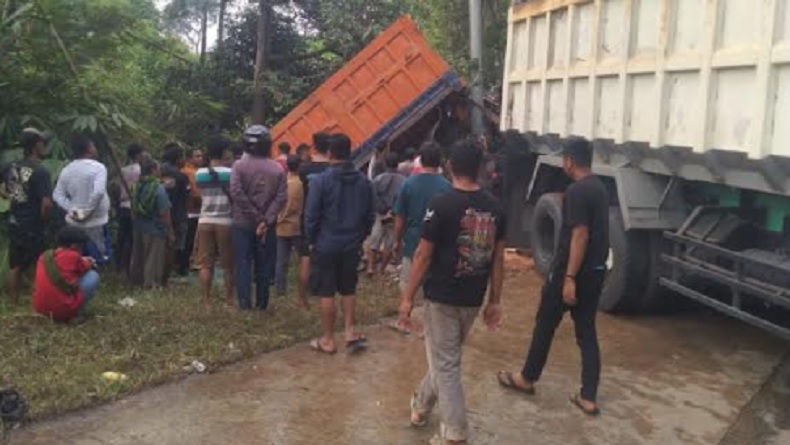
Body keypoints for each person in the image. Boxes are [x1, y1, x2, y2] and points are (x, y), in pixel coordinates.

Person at [397, 138, 506, 445]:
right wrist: (495, 300)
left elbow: (423, 255)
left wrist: (407, 297)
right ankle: (421, 405)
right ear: (480, 168)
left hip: (442, 298)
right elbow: (498, 259)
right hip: (473, 297)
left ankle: (456, 433)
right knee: (446, 358)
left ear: (451, 166)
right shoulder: (496, 207)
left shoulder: (441, 204)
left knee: (446, 364)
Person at [497, 137, 609, 416]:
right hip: (595, 272)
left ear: (569, 161)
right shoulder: (599, 187)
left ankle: (527, 378)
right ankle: (588, 396)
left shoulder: (577, 191)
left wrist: (569, 278)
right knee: (586, 332)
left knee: (545, 324)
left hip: (571, 274)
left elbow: (580, 235)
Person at [305, 133, 375, 354]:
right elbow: (370, 216)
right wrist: (360, 237)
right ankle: (350, 331)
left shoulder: (320, 182)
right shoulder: (364, 182)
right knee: (348, 288)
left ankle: (327, 339)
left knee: (327, 292)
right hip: (351, 244)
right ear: (350, 152)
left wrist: (311, 240)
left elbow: (311, 216)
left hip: (326, 243)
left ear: (328, 153)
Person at [390, 143, 452, 333]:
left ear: (421, 160)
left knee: (407, 283)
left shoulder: (409, 184)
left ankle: (403, 320)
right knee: (431, 288)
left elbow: (400, 218)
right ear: (440, 162)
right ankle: (429, 327)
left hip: (413, 242)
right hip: (439, 246)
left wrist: (396, 240)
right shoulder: (447, 187)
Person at [230, 125, 287, 311]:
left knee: (243, 263)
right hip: (267, 226)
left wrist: (255, 217)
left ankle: (244, 304)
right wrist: (265, 220)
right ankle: (262, 303)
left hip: (242, 223)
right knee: (263, 264)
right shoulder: (277, 169)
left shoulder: (239, 166)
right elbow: (281, 197)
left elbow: (236, 193)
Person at [1, 128, 53, 304]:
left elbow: (6, 189)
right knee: (38, 263)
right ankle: (38, 300)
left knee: (15, 265)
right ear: (36, 145)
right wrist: (44, 220)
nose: (44, 145)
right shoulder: (41, 171)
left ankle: (13, 302)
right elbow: (46, 203)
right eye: (42, 142)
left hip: (15, 221)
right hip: (33, 224)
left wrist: (8, 196)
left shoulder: (10, 166)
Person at [52, 136, 111, 264]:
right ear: (89, 149)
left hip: (74, 223)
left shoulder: (67, 170)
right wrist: (86, 212)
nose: (95, 148)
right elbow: (98, 192)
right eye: (93, 145)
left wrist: (73, 209)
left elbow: (57, 194)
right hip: (96, 223)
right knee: (97, 258)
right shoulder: (98, 167)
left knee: (75, 258)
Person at [194, 136, 235, 304]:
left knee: (205, 263)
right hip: (225, 221)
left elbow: (200, 195)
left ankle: (206, 299)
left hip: (205, 220)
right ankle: (229, 298)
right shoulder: (230, 174)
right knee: (228, 264)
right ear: (224, 152)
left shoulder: (199, 174)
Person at [32, 226, 100, 323]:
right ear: (74, 246)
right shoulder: (74, 256)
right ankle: (76, 313)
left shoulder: (44, 256)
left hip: (40, 308)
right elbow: (85, 267)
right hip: (63, 310)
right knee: (93, 275)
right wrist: (89, 262)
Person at [297, 132, 331, 306]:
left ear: (314, 146)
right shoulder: (332, 170)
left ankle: (302, 299)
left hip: (307, 215)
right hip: (328, 218)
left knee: (306, 257)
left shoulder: (303, 169)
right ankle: (324, 292)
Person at [130, 157, 173, 288]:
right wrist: (170, 231)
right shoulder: (158, 188)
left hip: (139, 227)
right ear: (153, 170)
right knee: (153, 259)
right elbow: (164, 212)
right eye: (158, 169)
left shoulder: (136, 186)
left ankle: (137, 281)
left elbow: (133, 209)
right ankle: (151, 285)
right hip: (155, 228)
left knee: (139, 257)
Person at [366, 152, 405, 276]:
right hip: (394, 215)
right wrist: (393, 211)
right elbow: (403, 199)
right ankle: (381, 270)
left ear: (385, 164)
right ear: (397, 164)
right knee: (389, 243)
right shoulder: (404, 181)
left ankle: (370, 267)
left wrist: (381, 209)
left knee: (374, 241)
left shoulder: (379, 179)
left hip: (380, 214)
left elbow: (373, 196)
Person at [275, 154, 305, 303]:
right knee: (303, 259)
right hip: (295, 225)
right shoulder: (299, 184)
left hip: (280, 226)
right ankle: (305, 287)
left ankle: (280, 289)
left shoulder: (282, 182)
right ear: (299, 166)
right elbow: (295, 206)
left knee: (281, 260)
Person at [160, 143, 190, 281]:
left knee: (162, 243)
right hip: (178, 213)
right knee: (177, 244)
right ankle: (173, 271)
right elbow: (186, 196)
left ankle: (162, 270)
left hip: (160, 214)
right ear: (178, 159)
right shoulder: (182, 177)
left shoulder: (157, 173)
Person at [116, 143, 145, 276]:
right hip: (134, 206)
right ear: (138, 155)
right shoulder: (141, 171)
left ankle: (119, 265)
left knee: (122, 237)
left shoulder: (123, 170)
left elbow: (118, 189)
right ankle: (129, 266)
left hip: (123, 206)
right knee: (132, 239)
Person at [181, 147, 204, 276]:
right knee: (191, 239)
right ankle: (188, 264)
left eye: (201, 156)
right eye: (197, 156)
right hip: (193, 210)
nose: (200, 158)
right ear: (189, 158)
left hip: (190, 210)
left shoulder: (193, 171)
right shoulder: (190, 173)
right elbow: (196, 193)